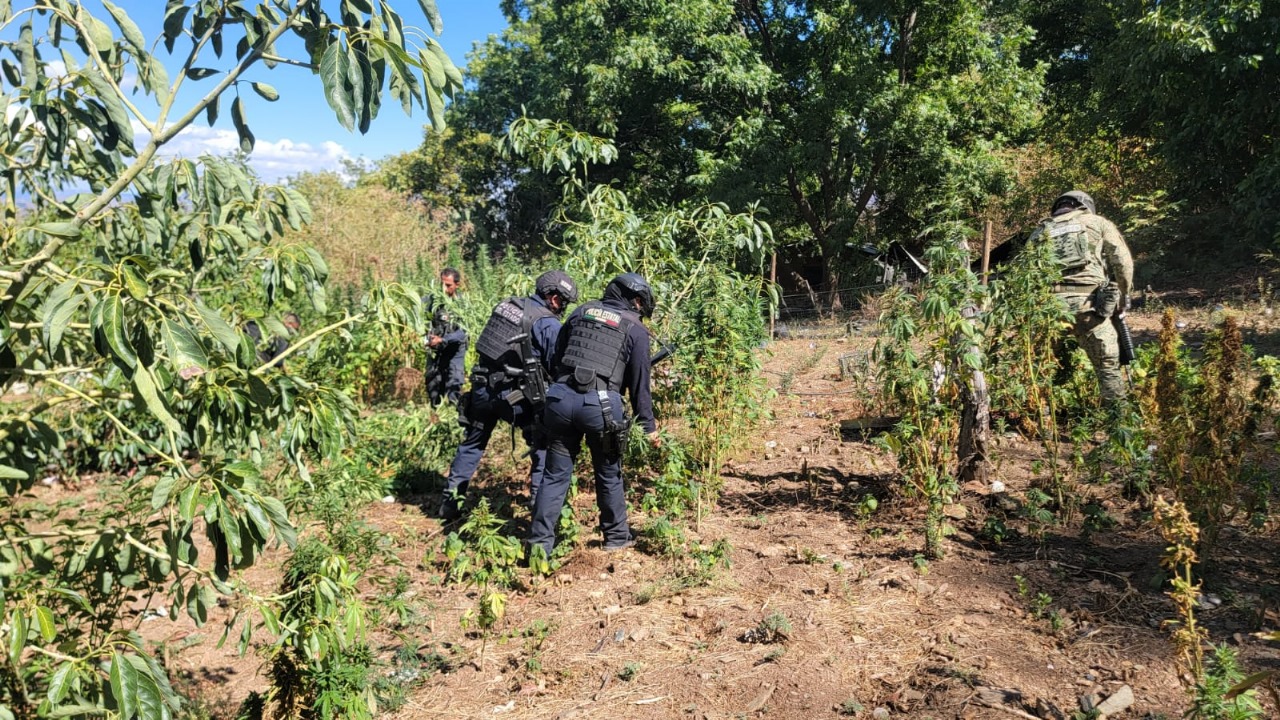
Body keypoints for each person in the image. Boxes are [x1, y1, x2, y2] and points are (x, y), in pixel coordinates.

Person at [527, 273, 662, 558]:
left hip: (559, 400)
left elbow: (558, 357)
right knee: (609, 472)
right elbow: (640, 387)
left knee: (554, 475)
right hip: (600, 408)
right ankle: (616, 537)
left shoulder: (581, 311)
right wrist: (648, 428)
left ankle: (538, 548)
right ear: (636, 301)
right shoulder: (636, 329)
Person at [438, 270, 580, 520]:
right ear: (555, 299)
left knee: (472, 444)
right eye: (564, 303)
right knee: (543, 444)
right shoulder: (547, 323)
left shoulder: (507, 305)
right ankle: (539, 510)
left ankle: (449, 505)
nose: (563, 308)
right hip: (515, 397)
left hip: (482, 389)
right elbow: (556, 366)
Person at [1030, 190, 1134, 403]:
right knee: (1107, 366)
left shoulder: (1039, 231)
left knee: (1040, 369)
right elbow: (1122, 261)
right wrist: (1124, 296)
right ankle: (1117, 419)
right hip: (1089, 307)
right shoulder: (1097, 222)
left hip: (1048, 308)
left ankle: (1043, 419)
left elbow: (1027, 274)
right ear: (1085, 205)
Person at [424, 268, 467, 405]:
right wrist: (427, 337)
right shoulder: (432, 300)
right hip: (436, 349)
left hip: (455, 350)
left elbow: (464, 332)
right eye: (442, 284)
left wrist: (443, 339)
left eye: (448, 285)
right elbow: (420, 316)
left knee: (454, 383)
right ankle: (436, 412)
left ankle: (454, 412)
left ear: (457, 285)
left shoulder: (463, 304)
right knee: (433, 385)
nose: (444, 288)